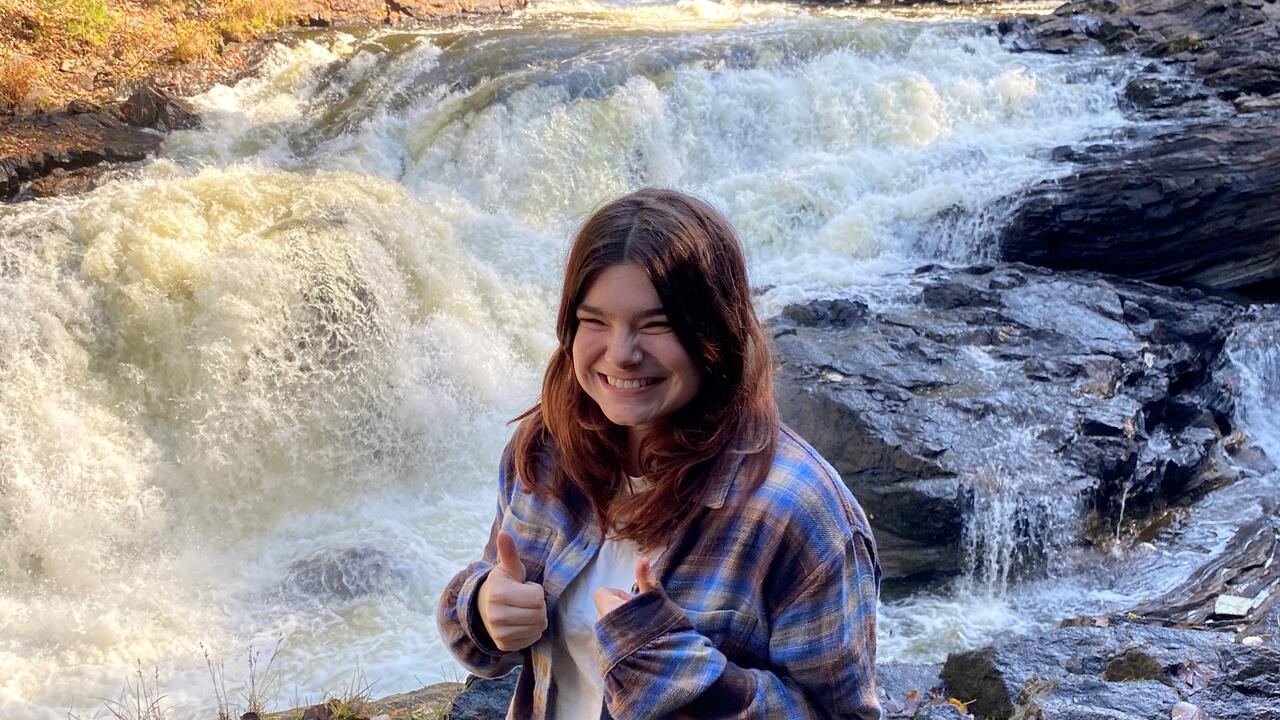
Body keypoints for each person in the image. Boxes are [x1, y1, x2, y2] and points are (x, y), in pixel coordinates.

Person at [437, 188, 882, 719]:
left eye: (656, 325)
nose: (622, 354)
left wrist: (684, 675)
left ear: (716, 332)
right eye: (594, 321)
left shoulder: (799, 513)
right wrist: (485, 608)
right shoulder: (545, 450)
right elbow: (490, 604)